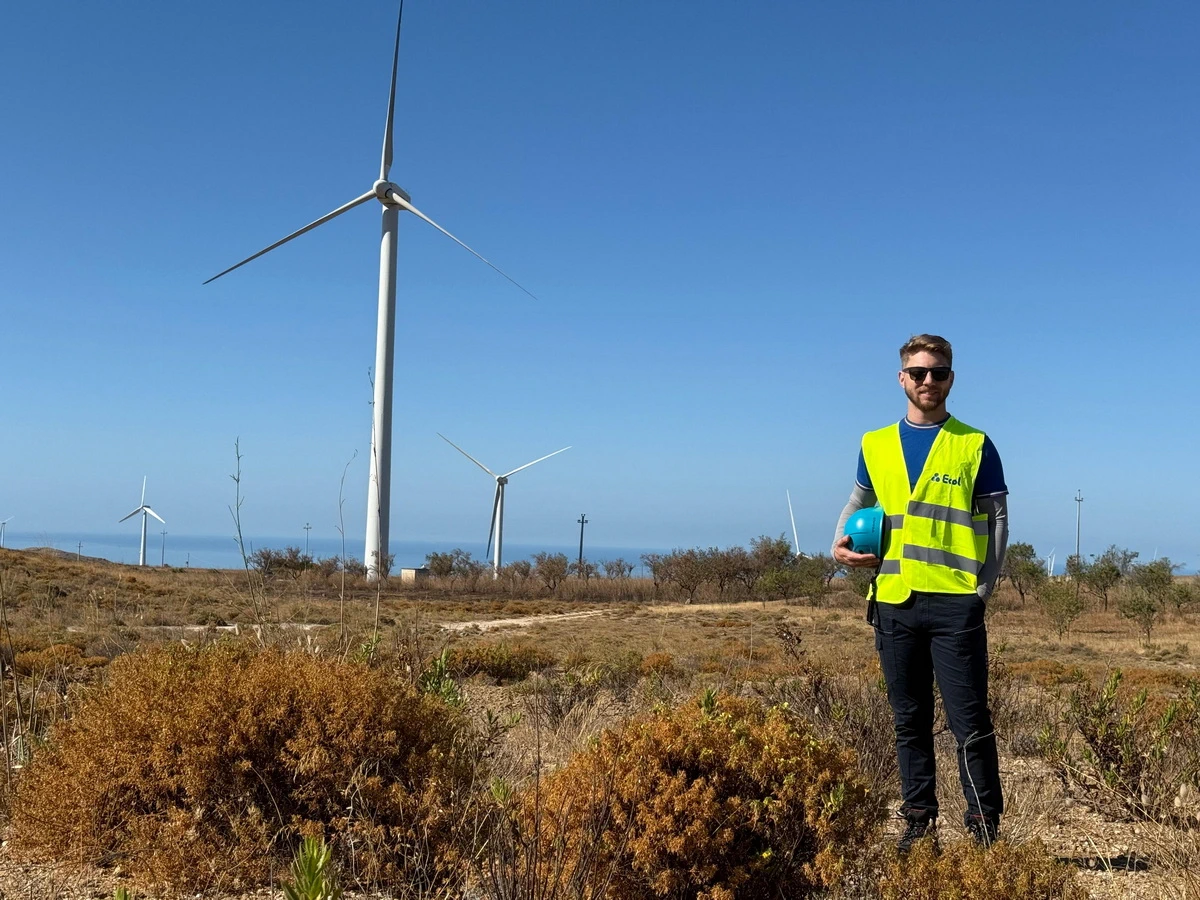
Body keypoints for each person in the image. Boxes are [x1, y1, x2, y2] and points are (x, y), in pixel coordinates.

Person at [832, 333, 1009, 853]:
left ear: (951, 378)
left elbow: (998, 521)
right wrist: (838, 548)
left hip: (956, 604)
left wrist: (981, 592)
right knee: (908, 721)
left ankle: (984, 831)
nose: (927, 380)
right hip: (893, 602)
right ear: (901, 378)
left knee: (969, 723)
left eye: (938, 372)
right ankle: (918, 824)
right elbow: (857, 501)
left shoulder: (974, 444)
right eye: (918, 372)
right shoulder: (875, 443)